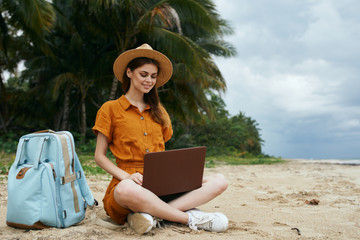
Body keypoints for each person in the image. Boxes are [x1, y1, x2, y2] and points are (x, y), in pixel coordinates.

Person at [93, 44, 229, 234]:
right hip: (129, 185)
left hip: (161, 184)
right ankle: (188, 218)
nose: (149, 80)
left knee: (219, 180)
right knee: (125, 189)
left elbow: (161, 153)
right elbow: (99, 156)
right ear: (129, 73)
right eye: (144, 74)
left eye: (153, 76)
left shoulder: (159, 112)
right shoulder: (110, 108)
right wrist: (126, 176)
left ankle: (153, 215)